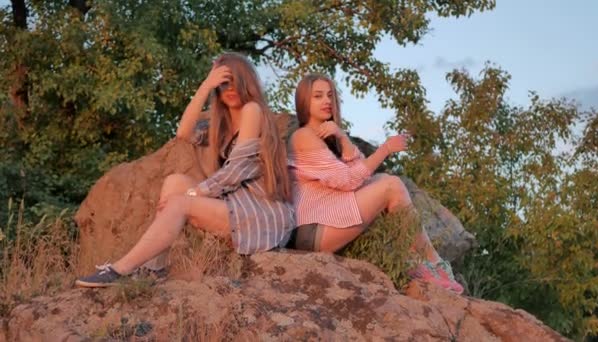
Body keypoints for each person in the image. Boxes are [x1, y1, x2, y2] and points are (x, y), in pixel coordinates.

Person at [76, 52, 294, 287]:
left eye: (235, 81)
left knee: (180, 202)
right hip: (237, 205)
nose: (229, 88)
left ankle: (120, 270)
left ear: (247, 82)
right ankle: (153, 269)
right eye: (223, 83)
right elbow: (183, 133)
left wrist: (195, 194)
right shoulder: (222, 124)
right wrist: (204, 86)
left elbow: (237, 170)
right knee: (174, 182)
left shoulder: (253, 110)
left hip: (261, 214)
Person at [288, 74, 464, 294]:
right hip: (312, 231)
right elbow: (350, 180)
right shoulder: (303, 136)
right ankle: (433, 265)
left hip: (325, 222)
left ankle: (420, 264)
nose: (327, 101)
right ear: (304, 101)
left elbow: (362, 176)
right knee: (390, 186)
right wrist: (386, 149)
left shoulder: (327, 135)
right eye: (318, 96)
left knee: (384, 181)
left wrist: (342, 137)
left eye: (330, 95)